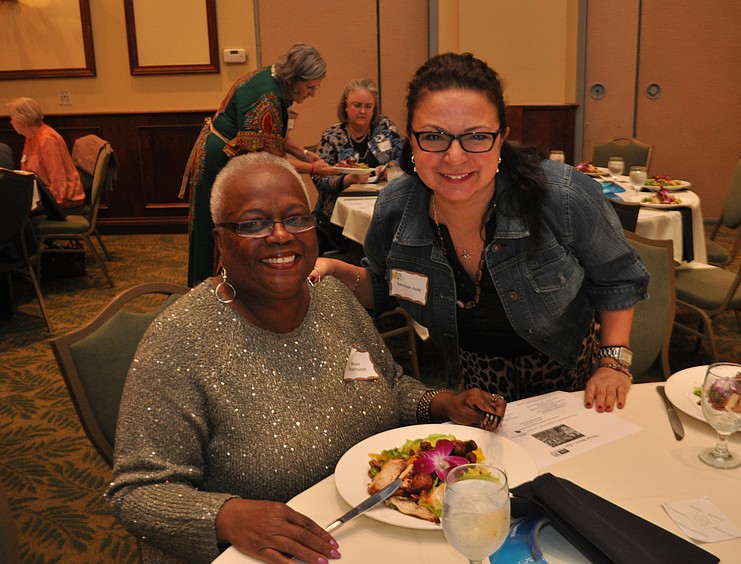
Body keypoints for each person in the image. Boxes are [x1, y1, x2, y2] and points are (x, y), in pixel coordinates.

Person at [106, 152, 506, 563]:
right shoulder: (181, 340)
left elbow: (390, 385)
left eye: (297, 218)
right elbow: (136, 492)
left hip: (368, 527)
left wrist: (442, 403)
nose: (281, 235)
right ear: (220, 239)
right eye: (253, 224)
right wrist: (225, 515)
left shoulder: (333, 298)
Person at [313, 53, 649, 412]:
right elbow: (385, 287)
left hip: (572, 382)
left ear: (501, 138)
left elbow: (618, 278)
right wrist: (333, 270)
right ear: (411, 139)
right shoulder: (396, 210)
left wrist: (613, 363)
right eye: (433, 136)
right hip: (476, 390)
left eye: (476, 137)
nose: (455, 157)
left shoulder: (560, 196)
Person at [182, 43, 334, 287]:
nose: (312, 93)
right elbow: (268, 167)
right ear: (295, 78)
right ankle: (212, 292)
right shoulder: (266, 101)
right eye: (310, 87)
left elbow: (276, 135)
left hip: (221, 154)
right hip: (218, 162)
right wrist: (315, 169)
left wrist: (305, 154)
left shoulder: (271, 78)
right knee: (215, 232)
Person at [312, 78, 403, 254]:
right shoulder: (332, 135)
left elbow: (405, 159)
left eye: (368, 106)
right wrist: (346, 180)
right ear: (345, 106)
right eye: (356, 105)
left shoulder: (385, 128)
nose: (362, 111)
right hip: (335, 215)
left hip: (383, 204)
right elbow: (319, 178)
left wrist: (388, 169)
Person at [5, 97, 84, 208]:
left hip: (63, 198)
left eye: (12, 118)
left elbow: (57, 177)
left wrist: (54, 203)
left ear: (23, 120)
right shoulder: (31, 136)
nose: (11, 122)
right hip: (42, 194)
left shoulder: (47, 139)